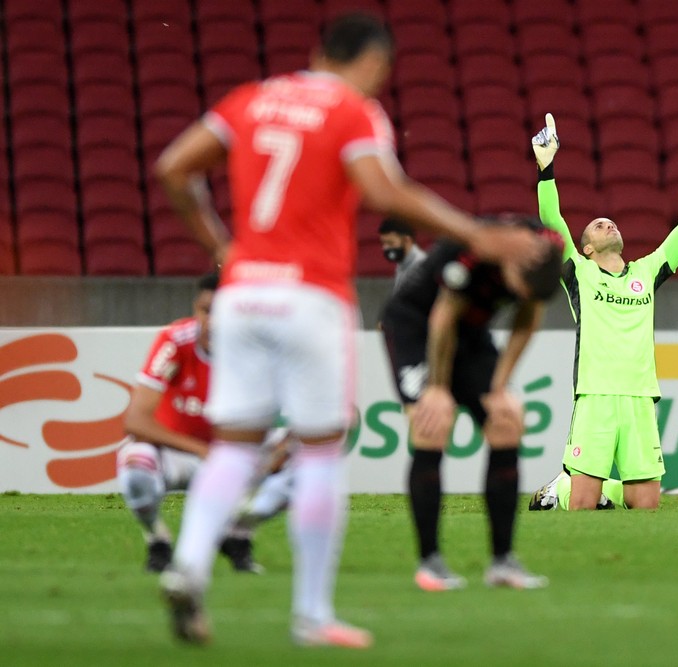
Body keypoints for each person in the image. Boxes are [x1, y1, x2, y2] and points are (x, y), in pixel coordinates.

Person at [152, 13, 545, 648]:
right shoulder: (354, 109)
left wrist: (224, 248)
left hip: (244, 290)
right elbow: (382, 190)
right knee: (319, 452)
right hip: (311, 295)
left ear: (316, 50)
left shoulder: (250, 100)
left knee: (234, 445)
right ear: (376, 63)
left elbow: (173, 168)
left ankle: (189, 566)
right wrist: (473, 232)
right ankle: (312, 615)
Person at [527, 113, 678, 511]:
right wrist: (546, 170)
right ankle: (558, 489)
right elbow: (552, 221)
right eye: (598, 226)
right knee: (579, 505)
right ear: (586, 248)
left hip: (640, 395)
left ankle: (603, 491)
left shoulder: (648, 271)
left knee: (644, 505)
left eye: (610, 223)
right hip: (595, 394)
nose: (607, 224)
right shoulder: (579, 273)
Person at [381, 214, 564, 591]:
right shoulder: (473, 253)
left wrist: (499, 387)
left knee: (507, 418)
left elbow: (527, 320)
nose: (519, 297)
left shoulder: (545, 253)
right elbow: (443, 318)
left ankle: (503, 563)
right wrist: (437, 387)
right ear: (508, 264)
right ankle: (430, 562)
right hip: (417, 326)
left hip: (472, 333)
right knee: (434, 422)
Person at [117, 272, 276, 574]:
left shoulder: (260, 349)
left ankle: (238, 536)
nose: (213, 322)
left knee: (302, 464)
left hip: (231, 458)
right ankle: (157, 540)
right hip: (177, 455)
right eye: (206, 311)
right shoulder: (175, 342)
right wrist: (201, 451)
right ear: (195, 310)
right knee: (135, 463)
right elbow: (135, 422)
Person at [378, 217, 426, 288]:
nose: (385, 248)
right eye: (384, 243)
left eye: (390, 243)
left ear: (407, 240)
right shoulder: (402, 262)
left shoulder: (420, 265)